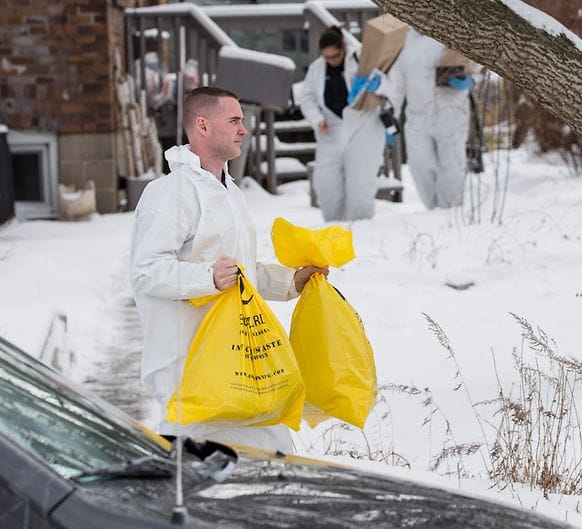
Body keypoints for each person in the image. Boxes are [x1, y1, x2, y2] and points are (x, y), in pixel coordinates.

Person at [129, 86, 326, 453]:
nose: (243, 129)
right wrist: (206, 278)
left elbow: (239, 271)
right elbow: (146, 271)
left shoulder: (228, 191)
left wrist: (289, 281)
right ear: (202, 126)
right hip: (192, 369)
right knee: (197, 477)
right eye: (234, 120)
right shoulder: (171, 193)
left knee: (272, 460)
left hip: (239, 361)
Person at [298, 26, 387, 222]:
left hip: (362, 129)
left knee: (360, 185)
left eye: (335, 55)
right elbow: (306, 97)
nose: (332, 60)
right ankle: (334, 229)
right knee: (327, 185)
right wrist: (317, 119)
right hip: (330, 132)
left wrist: (374, 85)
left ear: (343, 48)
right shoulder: (317, 68)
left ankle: (361, 229)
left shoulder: (360, 59)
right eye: (327, 57)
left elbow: (385, 81)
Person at [383, 28, 473, 210]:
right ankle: (432, 210)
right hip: (417, 115)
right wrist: (390, 114)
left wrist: (471, 77)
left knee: (452, 165)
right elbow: (397, 84)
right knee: (419, 165)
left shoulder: (450, 29)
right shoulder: (404, 40)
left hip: (450, 110)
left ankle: (451, 211)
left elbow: (474, 61)